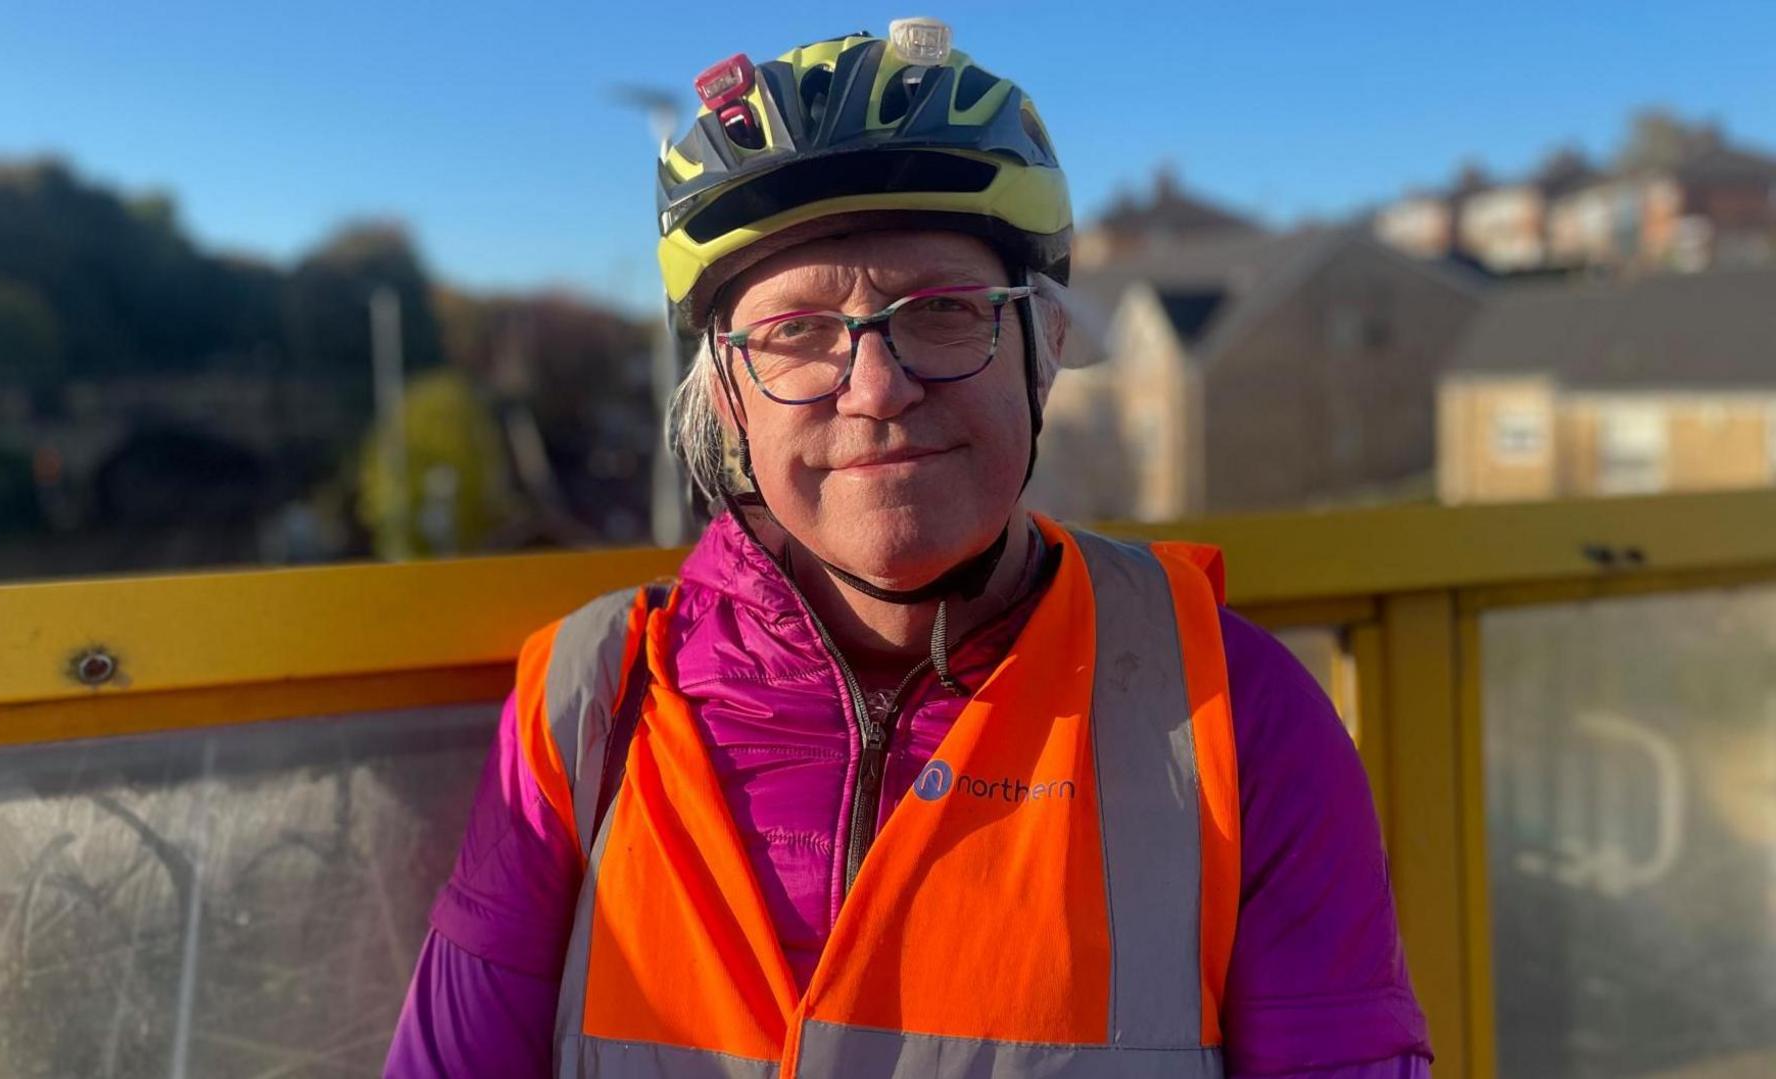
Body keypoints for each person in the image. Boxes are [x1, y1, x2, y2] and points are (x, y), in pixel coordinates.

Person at [387, 20, 1431, 1078]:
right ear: (727, 395)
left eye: (940, 312)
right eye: (795, 331)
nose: (876, 389)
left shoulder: (1237, 717)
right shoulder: (586, 706)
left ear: (1045, 343)